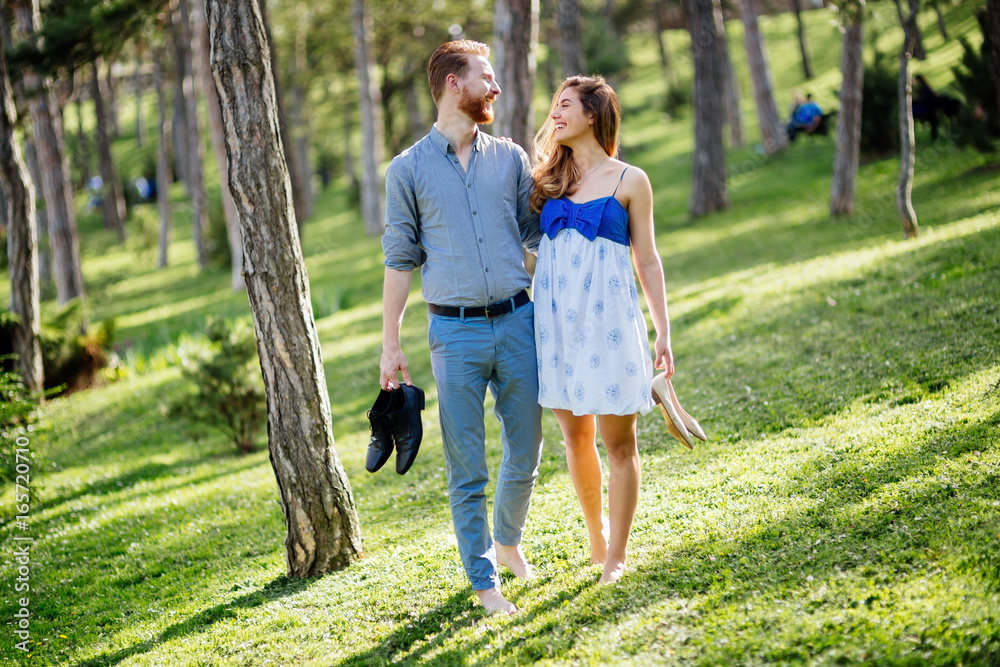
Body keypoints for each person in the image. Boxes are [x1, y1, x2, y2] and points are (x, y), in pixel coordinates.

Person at [379, 40, 544, 615]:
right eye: (486, 77)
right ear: (454, 83)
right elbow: (400, 259)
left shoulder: (512, 157)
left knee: (527, 447)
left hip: (519, 321)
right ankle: (483, 581)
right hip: (454, 335)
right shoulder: (406, 170)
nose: (495, 88)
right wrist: (390, 344)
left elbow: (534, 238)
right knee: (467, 465)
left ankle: (507, 540)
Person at [529, 76, 675, 585]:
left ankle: (617, 555)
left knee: (619, 443)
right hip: (556, 325)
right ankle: (595, 538)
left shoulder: (631, 179)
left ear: (594, 114)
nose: (555, 115)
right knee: (576, 436)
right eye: (554, 106)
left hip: (609, 322)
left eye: (565, 105)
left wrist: (663, 330)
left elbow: (648, 260)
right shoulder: (547, 181)